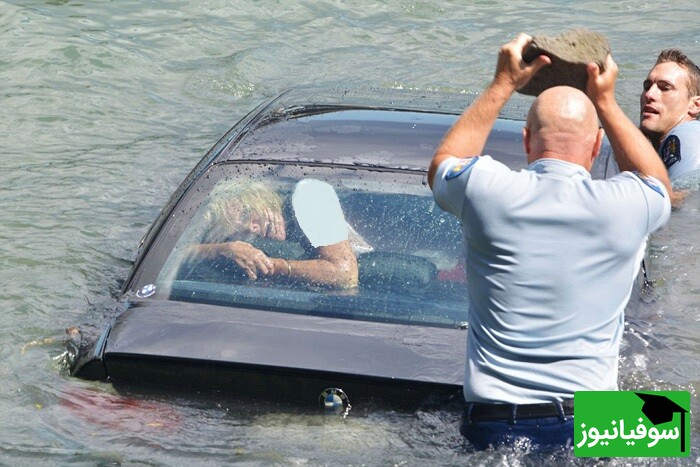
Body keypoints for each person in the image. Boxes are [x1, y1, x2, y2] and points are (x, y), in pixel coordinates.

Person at [428, 34, 671, 450]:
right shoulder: (627, 204)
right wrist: (607, 102)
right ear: (597, 146)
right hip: (599, 421)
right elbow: (657, 183)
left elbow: (442, 165)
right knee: (670, 419)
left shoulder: (485, 190)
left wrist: (502, 83)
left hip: (495, 420)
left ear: (526, 142)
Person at [189, 179, 359, 289]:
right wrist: (221, 249)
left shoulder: (310, 194)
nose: (253, 229)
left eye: (247, 214)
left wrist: (267, 265)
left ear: (260, 197)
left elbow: (345, 274)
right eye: (240, 232)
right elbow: (175, 252)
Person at [640, 49, 700, 181]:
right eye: (647, 86)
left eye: (665, 88)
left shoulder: (689, 136)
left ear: (695, 105)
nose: (649, 94)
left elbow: (679, 197)